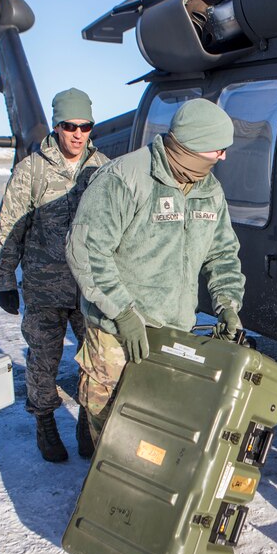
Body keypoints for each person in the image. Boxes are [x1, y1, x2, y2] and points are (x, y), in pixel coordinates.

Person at [66, 98, 245, 442]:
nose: (223, 156)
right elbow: (87, 251)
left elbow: (222, 254)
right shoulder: (125, 178)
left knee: (154, 429)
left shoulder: (209, 191)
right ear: (191, 144)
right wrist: (123, 313)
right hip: (116, 334)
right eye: (218, 149)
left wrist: (229, 306)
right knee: (110, 430)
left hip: (175, 333)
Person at [0, 88, 109, 462]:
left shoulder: (103, 168)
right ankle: (45, 424)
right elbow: (10, 226)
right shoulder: (32, 170)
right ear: (57, 126)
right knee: (44, 359)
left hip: (87, 288)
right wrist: (6, 280)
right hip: (44, 287)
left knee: (95, 360)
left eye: (85, 126)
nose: (77, 134)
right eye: (69, 126)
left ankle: (85, 424)